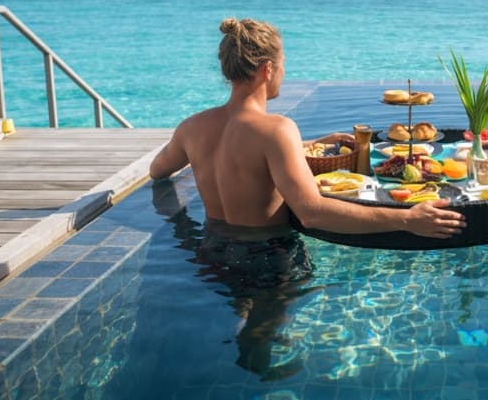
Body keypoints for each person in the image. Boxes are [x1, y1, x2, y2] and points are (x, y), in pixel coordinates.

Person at [149, 17, 466, 238]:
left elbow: (157, 171)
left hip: (212, 250)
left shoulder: (191, 128)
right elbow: (312, 213)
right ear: (268, 69)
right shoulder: (276, 130)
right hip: (265, 257)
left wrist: (310, 144)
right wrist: (408, 219)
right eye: (283, 64)